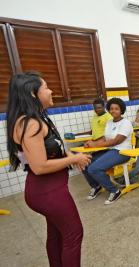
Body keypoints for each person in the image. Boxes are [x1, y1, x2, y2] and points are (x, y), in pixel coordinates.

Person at [6, 72, 92, 266]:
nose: (51, 91)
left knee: (56, 234)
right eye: (46, 87)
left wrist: (70, 157)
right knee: (73, 234)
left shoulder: (37, 118)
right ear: (33, 94)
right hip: (47, 192)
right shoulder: (30, 123)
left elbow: (52, 149)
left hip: (48, 190)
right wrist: (75, 157)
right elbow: (39, 166)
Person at [83, 98, 133, 205]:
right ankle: (96, 186)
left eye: (116, 109)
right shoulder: (109, 122)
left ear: (121, 110)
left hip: (122, 152)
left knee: (94, 169)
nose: (113, 111)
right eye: (111, 109)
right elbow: (104, 139)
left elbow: (116, 141)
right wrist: (91, 142)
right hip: (110, 151)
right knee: (84, 162)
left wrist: (95, 144)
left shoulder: (126, 123)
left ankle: (114, 191)